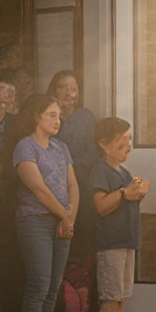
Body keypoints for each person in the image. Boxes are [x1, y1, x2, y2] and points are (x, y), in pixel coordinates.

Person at [13, 94, 79, 312]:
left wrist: (70, 217)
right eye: (51, 114)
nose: (57, 120)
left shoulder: (61, 147)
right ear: (36, 116)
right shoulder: (25, 147)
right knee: (39, 284)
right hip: (36, 221)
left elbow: (73, 185)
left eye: (59, 115)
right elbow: (38, 188)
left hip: (62, 222)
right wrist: (65, 215)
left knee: (53, 286)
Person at [87, 117, 147, 312]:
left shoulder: (124, 174)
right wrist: (125, 193)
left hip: (127, 242)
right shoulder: (101, 171)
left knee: (121, 298)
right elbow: (100, 207)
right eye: (121, 142)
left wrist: (138, 191)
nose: (128, 146)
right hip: (110, 244)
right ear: (104, 144)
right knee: (109, 298)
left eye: (129, 141)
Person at [49, 70, 98, 255]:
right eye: (63, 87)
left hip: (79, 185)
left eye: (73, 89)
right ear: (53, 90)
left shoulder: (85, 117)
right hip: (49, 187)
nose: (68, 93)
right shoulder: (47, 117)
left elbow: (91, 154)